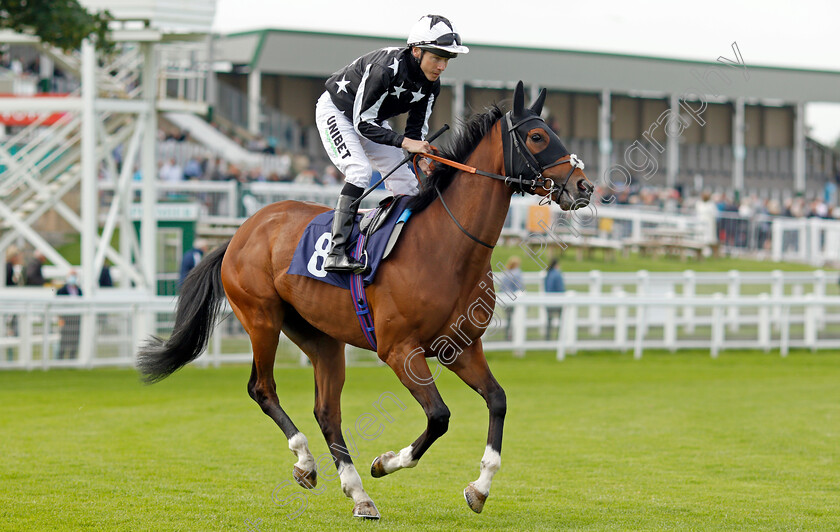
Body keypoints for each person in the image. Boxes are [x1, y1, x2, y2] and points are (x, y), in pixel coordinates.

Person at [315, 14, 469, 273]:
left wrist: (422, 156)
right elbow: (362, 123)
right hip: (338, 112)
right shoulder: (385, 69)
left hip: (371, 121)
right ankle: (336, 251)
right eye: (437, 58)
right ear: (417, 50)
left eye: (446, 60)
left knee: (407, 184)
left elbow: (416, 131)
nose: (442, 66)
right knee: (360, 171)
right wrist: (407, 143)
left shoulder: (432, 84)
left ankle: (409, 251)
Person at [56, 270, 83, 360]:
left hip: (76, 319)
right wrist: (60, 318)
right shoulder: (62, 290)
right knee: (63, 341)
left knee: (75, 341)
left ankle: (72, 359)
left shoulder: (79, 290)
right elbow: (58, 306)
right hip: (66, 319)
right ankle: (60, 360)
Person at [500, 256, 524, 341]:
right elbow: (520, 287)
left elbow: (501, 288)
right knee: (515, 318)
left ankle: (507, 335)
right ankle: (513, 337)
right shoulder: (517, 273)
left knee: (508, 318)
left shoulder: (505, 273)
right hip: (514, 299)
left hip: (505, 299)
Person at [544, 258, 566, 340]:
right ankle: (560, 338)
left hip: (548, 301)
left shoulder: (548, 273)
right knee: (562, 320)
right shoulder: (557, 274)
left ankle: (548, 337)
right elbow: (561, 289)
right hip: (557, 301)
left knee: (549, 321)